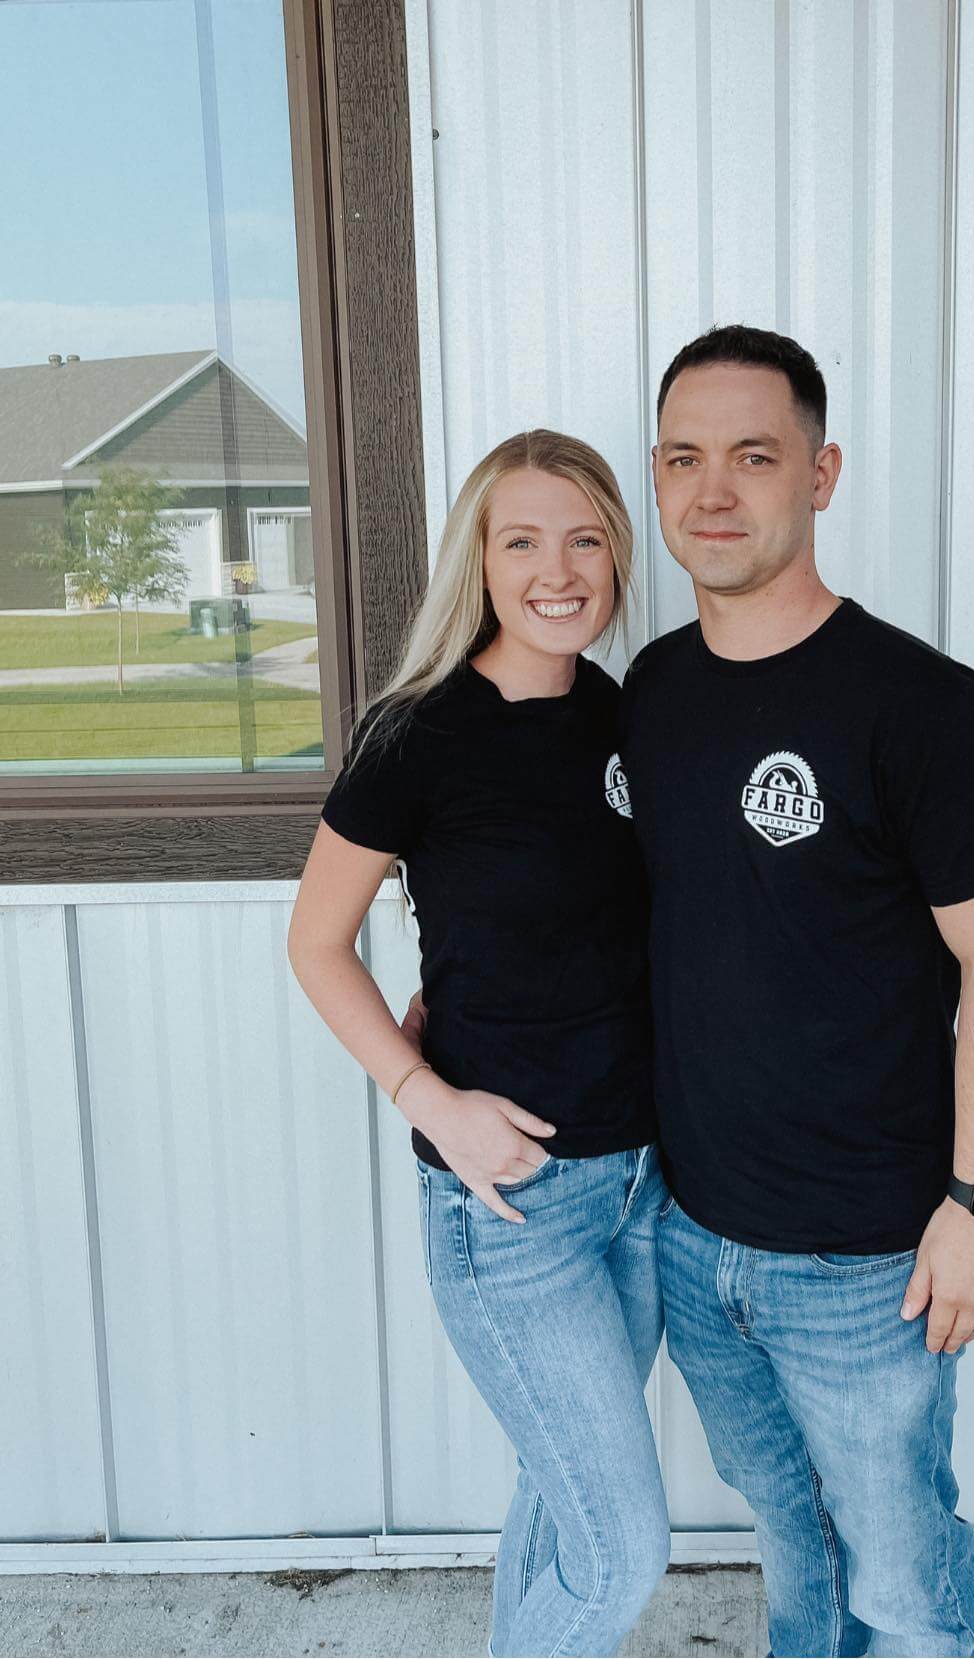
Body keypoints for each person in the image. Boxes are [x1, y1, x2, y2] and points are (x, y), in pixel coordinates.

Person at [614, 324, 974, 1658]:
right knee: (791, 1533)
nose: (713, 491)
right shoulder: (654, 689)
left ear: (823, 473)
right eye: (685, 458)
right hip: (696, 1235)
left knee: (904, 1569)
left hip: (869, 1258)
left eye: (755, 454)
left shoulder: (918, 703)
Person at [287, 430, 670, 1659]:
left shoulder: (629, 718)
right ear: (482, 562)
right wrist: (428, 1097)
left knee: (562, 1505)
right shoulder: (421, 734)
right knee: (624, 1544)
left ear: (615, 555)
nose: (557, 570)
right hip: (510, 1204)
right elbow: (315, 942)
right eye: (522, 541)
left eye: (584, 539)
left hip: (644, 1186)